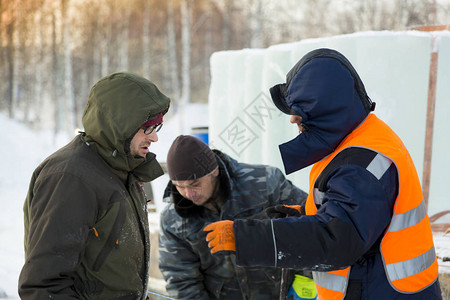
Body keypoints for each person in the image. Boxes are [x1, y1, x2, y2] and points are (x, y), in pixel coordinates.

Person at [204, 48, 442, 299]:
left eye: (301, 112)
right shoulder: (360, 139)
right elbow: (357, 216)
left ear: (328, 110)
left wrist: (246, 238)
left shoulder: (360, 166)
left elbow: (335, 239)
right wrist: (305, 215)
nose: (293, 120)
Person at [18, 72, 170, 300]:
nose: (154, 138)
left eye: (156, 128)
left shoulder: (124, 169)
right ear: (120, 124)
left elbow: (112, 273)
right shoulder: (71, 178)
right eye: (147, 128)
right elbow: (43, 286)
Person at [158, 135, 309, 299]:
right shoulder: (173, 220)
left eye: (195, 184)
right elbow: (181, 279)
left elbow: (310, 224)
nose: (189, 193)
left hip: (280, 293)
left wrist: (306, 279)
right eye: (180, 186)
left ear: (214, 171)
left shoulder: (265, 183)